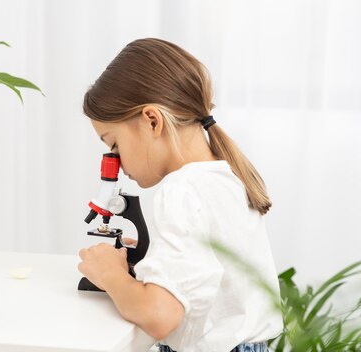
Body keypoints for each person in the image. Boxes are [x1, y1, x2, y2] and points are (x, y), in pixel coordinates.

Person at [77, 38, 283, 352]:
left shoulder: (181, 190)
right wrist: (156, 257)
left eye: (114, 144)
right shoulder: (226, 175)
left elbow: (158, 315)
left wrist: (109, 273)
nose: (114, 164)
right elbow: (213, 276)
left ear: (151, 121)